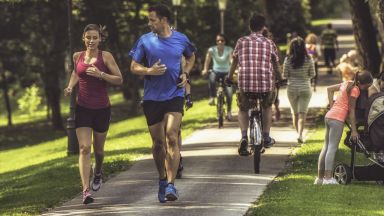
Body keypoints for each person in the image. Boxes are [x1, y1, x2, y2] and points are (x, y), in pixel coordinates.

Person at [129, 3, 196, 203]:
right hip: (152, 99)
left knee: (171, 136)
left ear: (163, 20)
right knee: (158, 144)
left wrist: (185, 72)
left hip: (174, 94)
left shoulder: (181, 38)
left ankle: (171, 184)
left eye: (152, 20)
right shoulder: (145, 40)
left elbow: (191, 57)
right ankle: (161, 178)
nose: (150, 23)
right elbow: (133, 66)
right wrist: (148, 71)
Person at [64, 24, 123, 204]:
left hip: (102, 109)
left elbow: (119, 79)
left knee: (98, 150)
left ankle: (98, 172)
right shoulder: (77, 56)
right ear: (83, 38)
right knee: (84, 148)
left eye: (95, 38)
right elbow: (76, 72)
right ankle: (85, 190)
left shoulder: (106, 56)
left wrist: (101, 74)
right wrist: (70, 86)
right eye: (88, 37)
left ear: (100, 39)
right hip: (83, 108)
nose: (91, 41)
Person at [228, 14, 279, 155]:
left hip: (245, 84)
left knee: (243, 109)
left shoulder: (241, 41)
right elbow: (275, 64)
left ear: (250, 27)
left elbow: (234, 62)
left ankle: (244, 136)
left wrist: (229, 77)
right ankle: (267, 136)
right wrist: (280, 78)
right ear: (263, 27)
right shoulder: (269, 43)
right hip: (265, 84)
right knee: (267, 106)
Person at [315, 70, 372, 185]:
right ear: (361, 83)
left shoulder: (347, 83)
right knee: (332, 148)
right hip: (337, 119)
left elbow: (329, 89)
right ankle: (328, 178)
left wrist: (332, 106)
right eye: (366, 87)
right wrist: (354, 131)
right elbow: (351, 111)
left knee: (325, 147)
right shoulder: (355, 90)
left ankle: (320, 179)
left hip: (329, 117)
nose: (366, 89)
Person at [283, 37, 315, 144]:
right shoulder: (309, 58)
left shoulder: (287, 60)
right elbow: (312, 74)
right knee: (302, 114)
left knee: (295, 113)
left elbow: (285, 75)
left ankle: (298, 134)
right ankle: (300, 135)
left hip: (292, 88)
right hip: (305, 88)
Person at [202, 34, 234, 120]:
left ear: (225, 41)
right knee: (211, 79)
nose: (220, 42)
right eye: (218, 40)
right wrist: (205, 69)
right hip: (216, 71)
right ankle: (212, 97)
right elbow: (207, 60)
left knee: (229, 93)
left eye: (222, 40)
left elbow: (231, 60)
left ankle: (229, 112)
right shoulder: (211, 50)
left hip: (226, 72)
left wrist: (235, 68)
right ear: (216, 42)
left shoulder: (229, 49)